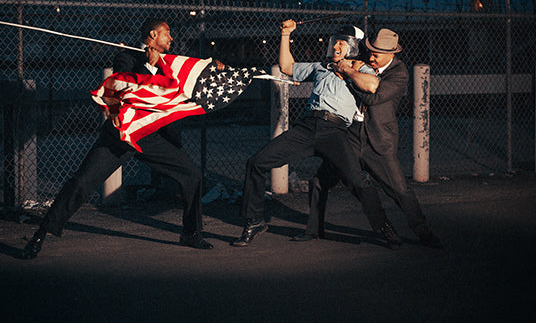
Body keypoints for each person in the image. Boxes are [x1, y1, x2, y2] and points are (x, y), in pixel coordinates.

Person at [21, 18, 215, 259]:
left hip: (150, 137)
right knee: (82, 183)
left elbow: (188, 81)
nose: (171, 38)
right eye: (167, 33)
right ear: (153, 35)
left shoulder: (169, 63)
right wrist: (147, 65)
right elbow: (123, 87)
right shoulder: (126, 57)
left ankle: (191, 233)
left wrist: (215, 68)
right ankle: (42, 233)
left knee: (193, 175)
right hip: (121, 135)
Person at [230, 20, 402, 249]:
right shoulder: (322, 66)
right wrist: (285, 35)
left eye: (341, 42)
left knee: (359, 182)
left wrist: (347, 70)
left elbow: (371, 86)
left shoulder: (361, 68)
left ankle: (384, 227)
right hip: (308, 127)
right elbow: (287, 67)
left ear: (353, 45)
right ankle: (255, 221)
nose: (336, 46)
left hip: (335, 131)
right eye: (335, 42)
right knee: (256, 162)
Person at [295, 28, 442, 249]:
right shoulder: (362, 62)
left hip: (378, 141)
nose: (370, 58)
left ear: (391, 54)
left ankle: (423, 233)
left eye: (376, 55)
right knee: (319, 181)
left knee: (400, 190)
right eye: (369, 52)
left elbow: (376, 97)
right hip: (350, 136)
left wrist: (350, 77)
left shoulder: (399, 72)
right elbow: (335, 65)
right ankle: (314, 230)